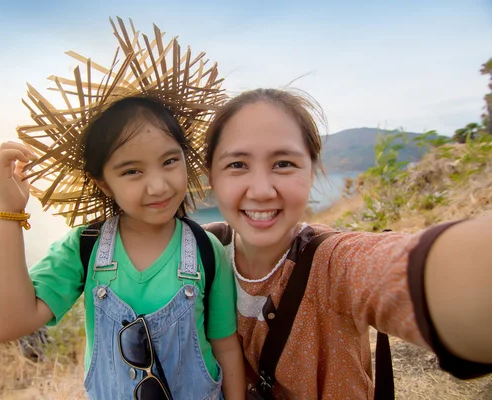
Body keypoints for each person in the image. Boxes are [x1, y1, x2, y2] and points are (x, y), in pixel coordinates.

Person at [0, 19, 245, 400]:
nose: (158, 185)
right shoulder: (84, 247)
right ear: (104, 182)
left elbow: (226, 349)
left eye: (170, 161)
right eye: (132, 171)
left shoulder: (207, 251)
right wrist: (6, 211)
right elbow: (8, 323)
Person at [203, 88, 492, 399]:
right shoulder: (196, 253)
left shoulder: (335, 263)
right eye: (237, 165)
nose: (261, 191)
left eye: (283, 163)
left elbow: (443, 283)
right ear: (211, 177)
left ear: (311, 170)